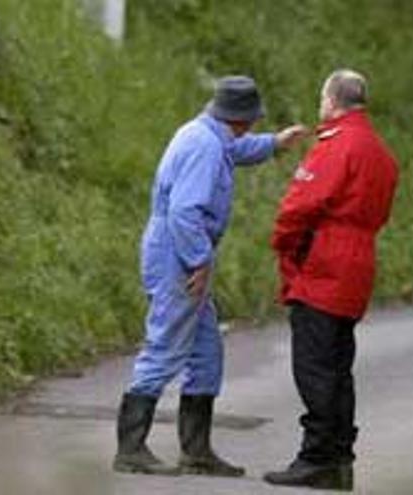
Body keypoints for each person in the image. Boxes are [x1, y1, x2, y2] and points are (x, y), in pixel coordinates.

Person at [113, 75, 308, 477]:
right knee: (166, 343)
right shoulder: (205, 147)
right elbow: (186, 212)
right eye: (254, 121)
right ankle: (130, 449)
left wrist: (274, 144)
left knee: (205, 352)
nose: (253, 126)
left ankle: (197, 452)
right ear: (243, 118)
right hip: (178, 252)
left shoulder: (206, 133)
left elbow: (234, 151)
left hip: (177, 246)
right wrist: (200, 262)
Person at [264, 69, 399, 491]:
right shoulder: (381, 152)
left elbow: (303, 203)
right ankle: (340, 457)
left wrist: (281, 241)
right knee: (339, 365)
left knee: (315, 365)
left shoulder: (337, 145)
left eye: (323, 98)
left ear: (333, 100)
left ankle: (317, 456)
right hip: (359, 261)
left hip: (325, 260)